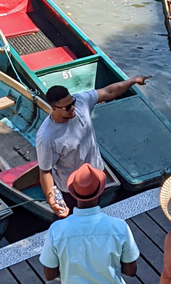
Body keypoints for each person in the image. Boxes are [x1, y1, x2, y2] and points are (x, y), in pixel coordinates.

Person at [37, 77, 149, 217]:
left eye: (72, 102)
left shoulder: (81, 102)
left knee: (95, 212)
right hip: (72, 187)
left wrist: (132, 81)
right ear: (53, 108)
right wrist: (51, 199)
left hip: (95, 175)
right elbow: (45, 171)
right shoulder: (47, 137)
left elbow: (108, 92)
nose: (73, 108)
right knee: (75, 218)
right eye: (67, 107)